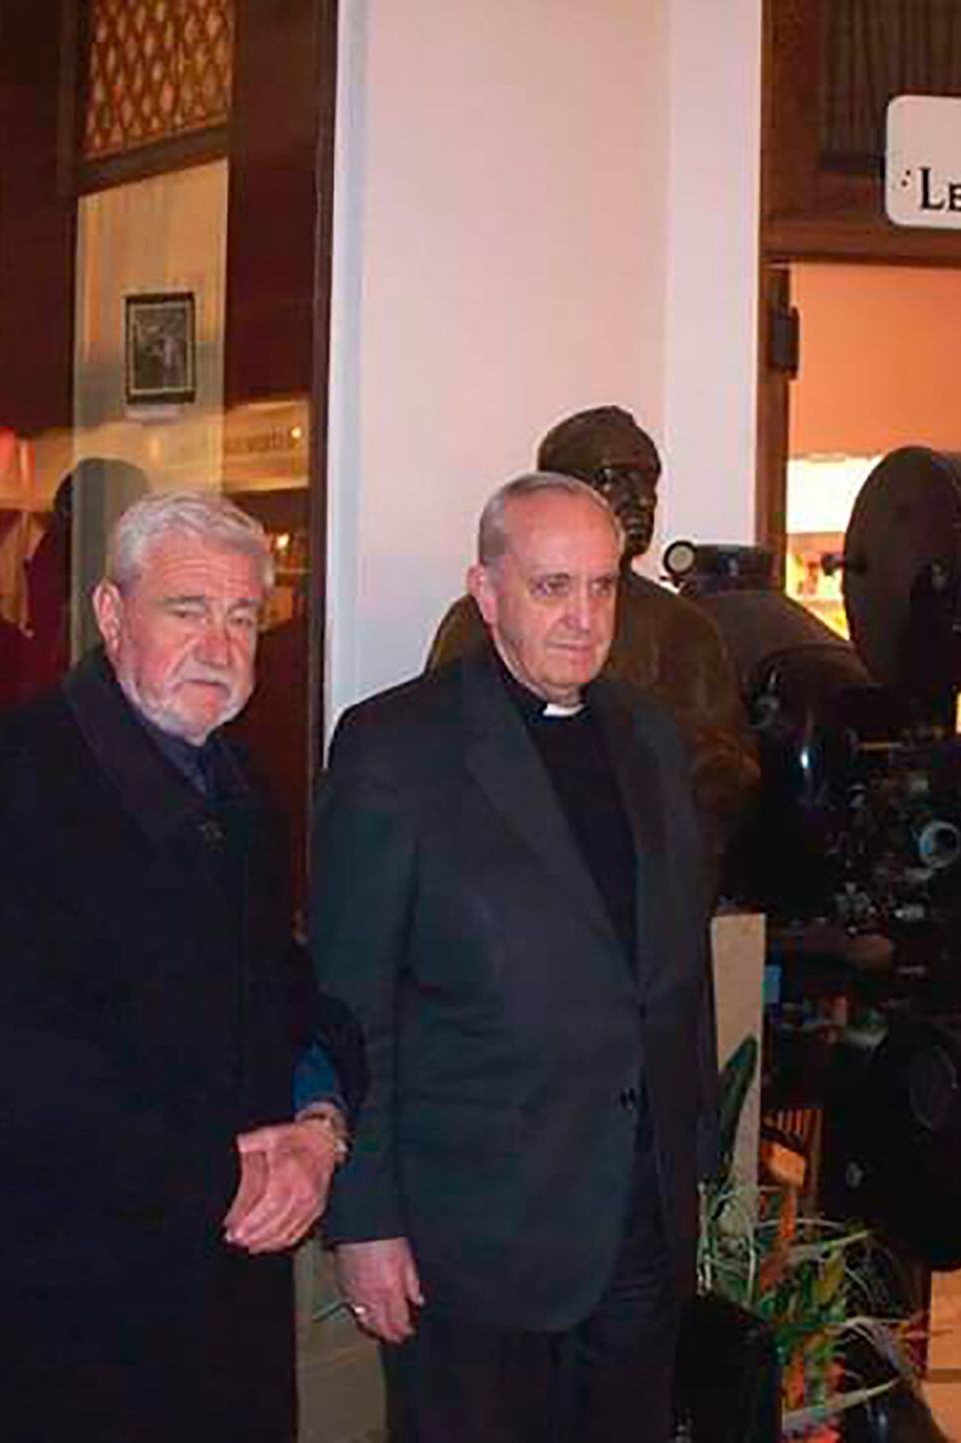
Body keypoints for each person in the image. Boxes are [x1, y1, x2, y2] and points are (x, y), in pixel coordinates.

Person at [0, 491, 361, 1442]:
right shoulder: (11, 789)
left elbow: (283, 989)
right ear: (110, 613)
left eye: (243, 618)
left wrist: (320, 1124)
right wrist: (219, 1175)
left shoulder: (236, 781)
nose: (220, 647)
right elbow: (1, 1068)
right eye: (187, 610)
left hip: (217, 1300)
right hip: (56, 1315)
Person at [313, 472, 717, 1443]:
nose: (584, 617)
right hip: (470, 1243)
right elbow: (349, 1003)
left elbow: (672, 966)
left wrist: (691, 1168)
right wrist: (364, 1220)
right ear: (486, 593)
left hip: (636, 1220)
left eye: (603, 586)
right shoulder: (394, 747)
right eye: (551, 587)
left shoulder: (650, 736)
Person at [427, 406, 756, 884]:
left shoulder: (684, 628)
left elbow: (729, 777)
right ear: (558, 489)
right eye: (615, 478)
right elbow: (440, 760)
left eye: (648, 481)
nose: (641, 498)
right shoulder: (477, 619)